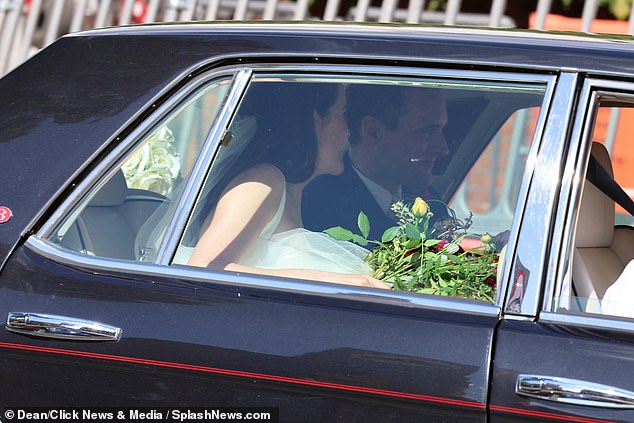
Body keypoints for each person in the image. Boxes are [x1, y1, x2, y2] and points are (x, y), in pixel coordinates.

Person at [181, 82, 389, 290]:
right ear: (315, 119)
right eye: (342, 113)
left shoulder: (290, 193)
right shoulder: (262, 181)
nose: (348, 130)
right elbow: (204, 268)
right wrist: (330, 280)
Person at [302, 84, 450, 241]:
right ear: (373, 131)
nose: (443, 148)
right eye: (426, 132)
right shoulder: (318, 206)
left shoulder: (431, 202)